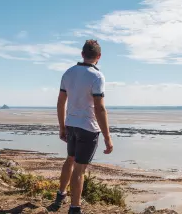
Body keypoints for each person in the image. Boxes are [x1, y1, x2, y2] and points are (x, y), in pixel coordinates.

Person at [50, 40, 113, 214]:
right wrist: (108, 137)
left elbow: (60, 102)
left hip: (71, 124)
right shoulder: (97, 76)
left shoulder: (68, 73)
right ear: (99, 57)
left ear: (82, 54)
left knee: (70, 159)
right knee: (79, 168)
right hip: (88, 127)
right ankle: (75, 208)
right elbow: (100, 108)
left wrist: (62, 127)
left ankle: (60, 195)